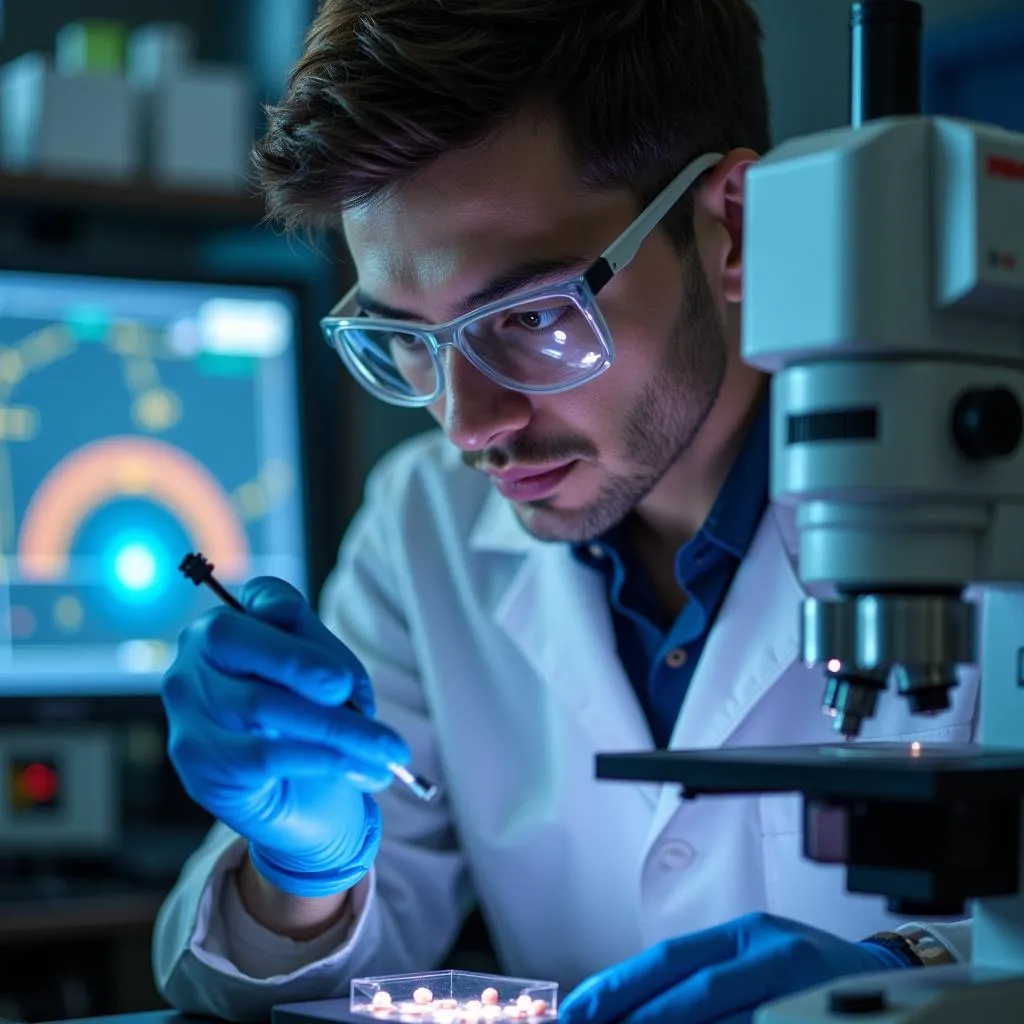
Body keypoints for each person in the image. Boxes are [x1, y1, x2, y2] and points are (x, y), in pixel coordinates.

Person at [152, 1, 978, 1021]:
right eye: (406, 338)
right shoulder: (424, 530)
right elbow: (258, 975)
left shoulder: (979, 491)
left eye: (534, 316)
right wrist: (301, 860)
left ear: (732, 227)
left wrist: (924, 973)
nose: (468, 424)